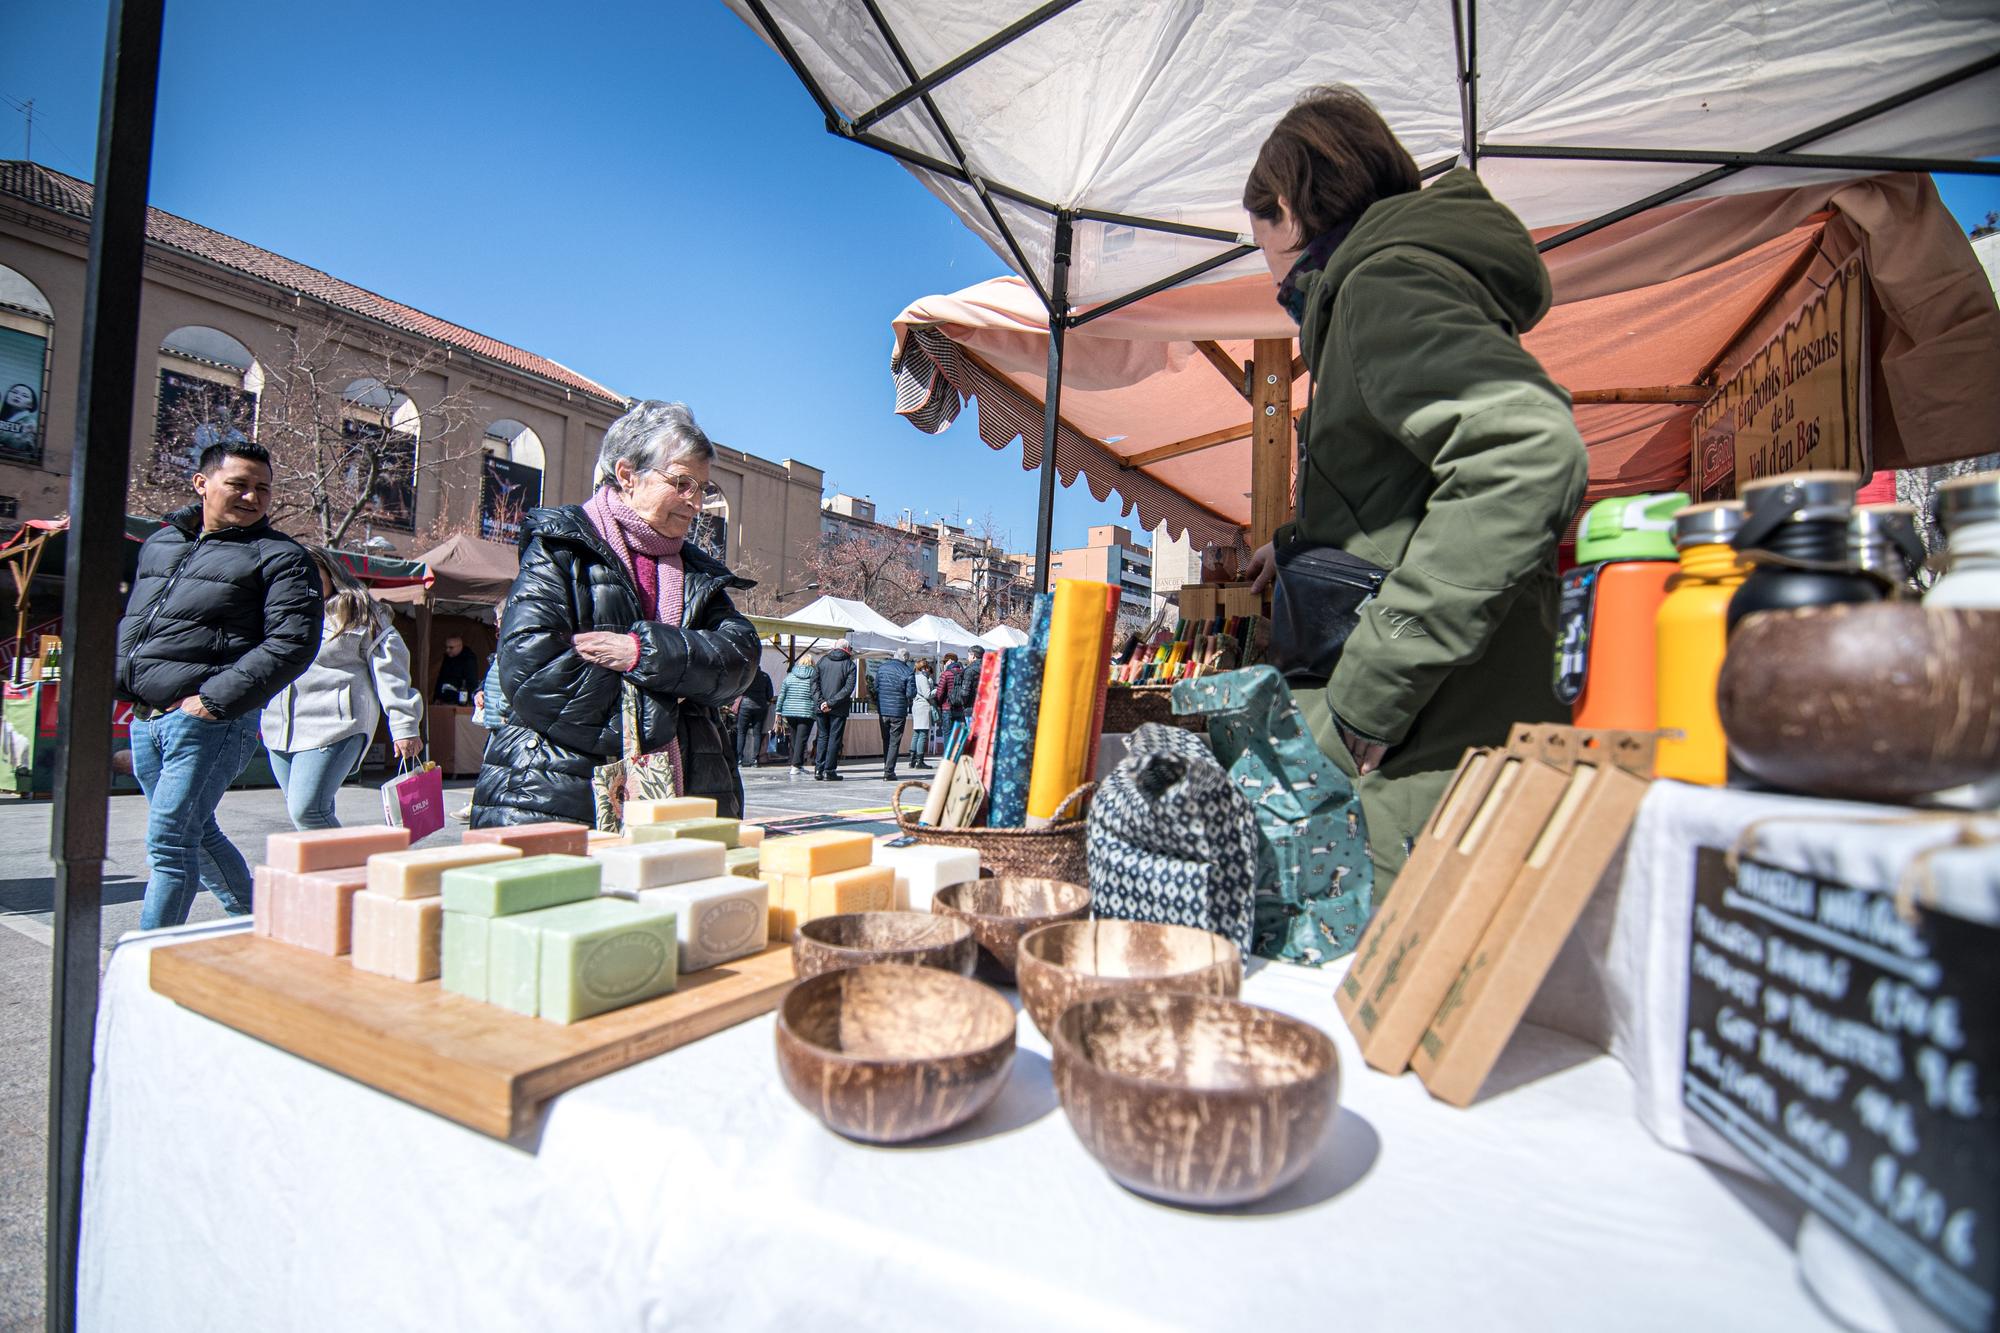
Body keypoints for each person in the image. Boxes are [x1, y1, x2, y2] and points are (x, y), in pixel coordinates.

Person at [1240, 86, 1587, 888]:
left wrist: (1369, 691)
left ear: (1288, 208)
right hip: (1452, 738)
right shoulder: (1402, 276)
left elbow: (1527, 456)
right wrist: (1295, 544)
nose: (1281, 291)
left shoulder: (1375, 287)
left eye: (1277, 272)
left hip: (1432, 753)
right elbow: (1407, 492)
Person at [472, 400, 760, 827]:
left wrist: (641, 654)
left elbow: (740, 658)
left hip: (688, 794)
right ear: (627, 475)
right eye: (682, 483)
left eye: (702, 488)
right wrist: (676, 691)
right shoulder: (560, 549)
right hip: (554, 793)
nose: (695, 502)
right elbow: (534, 672)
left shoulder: (701, 573)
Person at [115, 440, 323, 928]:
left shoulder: (282, 557)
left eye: (263, 489)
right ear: (201, 484)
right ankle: (262, 925)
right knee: (196, 832)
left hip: (208, 720)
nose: (252, 497)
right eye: (239, 484)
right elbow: (137, 620)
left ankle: (150, 959)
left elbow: (291, 643)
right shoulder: (161, 544)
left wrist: (211, 701)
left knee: (169, 841)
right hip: (146, 718)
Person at [262, 547, 426, 830]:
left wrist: (404, 726)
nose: (305, 581)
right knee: (306, 812)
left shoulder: (359, 611)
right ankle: (327, 871)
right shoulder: (279, 612)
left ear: (330, 571)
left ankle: (350, 871)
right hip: (279, 729)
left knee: (307, 811)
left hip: (335, 726)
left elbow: (392, 671)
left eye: (313, 573)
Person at [810, 638, 857, 781]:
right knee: (834, 738)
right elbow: (848, 689)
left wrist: (821, 702)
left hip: (821, 707)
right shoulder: (849, 664)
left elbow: (813, 682)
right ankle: (829, 770)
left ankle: (819, 769)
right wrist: (830, 703)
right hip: (838, 708)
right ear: (847, 649)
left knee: (823, 737)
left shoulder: (823, 661)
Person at [872, 647, 917, 781]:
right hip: (898, 710)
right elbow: (911, 693)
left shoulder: (882, 668)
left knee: (886, 739)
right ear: (906, 659)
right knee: (894, 741)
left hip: (883, 709)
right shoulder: (908, 671)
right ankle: (889, 771)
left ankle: (887, 766)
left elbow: (876, 687)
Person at [776, 652, 818, 775]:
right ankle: (796, 765)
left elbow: (782, 694)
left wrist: (778, 710)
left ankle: (796, 764)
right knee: (802, 739)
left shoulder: (790, 676)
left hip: (790, 711)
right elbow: (815, 694)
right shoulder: (814, 677)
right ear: (812, 664)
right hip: (806, 711)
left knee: (794, 738)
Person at [735, 664, 774, 766]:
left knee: (741, 732)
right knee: (757, 733)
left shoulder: (746, 677)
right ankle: (755, 759)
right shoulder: (765, 676)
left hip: (745, 706)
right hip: (760, 707)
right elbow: (770, 695)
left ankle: (739, 759)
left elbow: (738, 690)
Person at [433, 634, 482, 704]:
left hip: (461, 699)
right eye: (446, 647)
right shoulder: (447, 658)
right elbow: (441, 678)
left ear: (460, 646)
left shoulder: (468, 659)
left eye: (451, 647)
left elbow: (471, 682)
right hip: (445, 697)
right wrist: (437, 697)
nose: (447, 650)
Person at [908, 657, 935, 770]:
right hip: (923, 706)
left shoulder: (914, 677)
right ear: (923, 667)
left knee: (916, 733)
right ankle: (920, 761)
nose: (928, 669)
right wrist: (938, 689)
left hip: (916, 705)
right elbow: (928, 694)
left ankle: (912, 760)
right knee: (923, 734)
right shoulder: (923, 678)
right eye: (927, 667)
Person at [934, 652, 962, 737]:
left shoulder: (946, 674)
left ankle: (947, 750)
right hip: (960, 708)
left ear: (950, 661)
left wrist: (939, 704)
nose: (944, 664)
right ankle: (956, 750)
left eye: (944, 662)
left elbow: (940, 692)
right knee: (957, 734)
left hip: (947, 707)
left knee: (947, 733)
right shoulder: (963, 673)